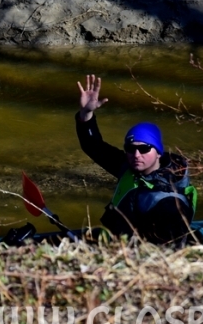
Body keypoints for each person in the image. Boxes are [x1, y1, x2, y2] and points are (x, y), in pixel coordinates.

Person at [76, 74, 195, 244]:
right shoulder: (129, 167)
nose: (136, 155)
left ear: (159, 152)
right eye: (130, 149)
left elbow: (168, 248)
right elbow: (93, 146)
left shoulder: (170, 201)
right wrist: (86, 113)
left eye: (144, 148)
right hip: (118, 241)